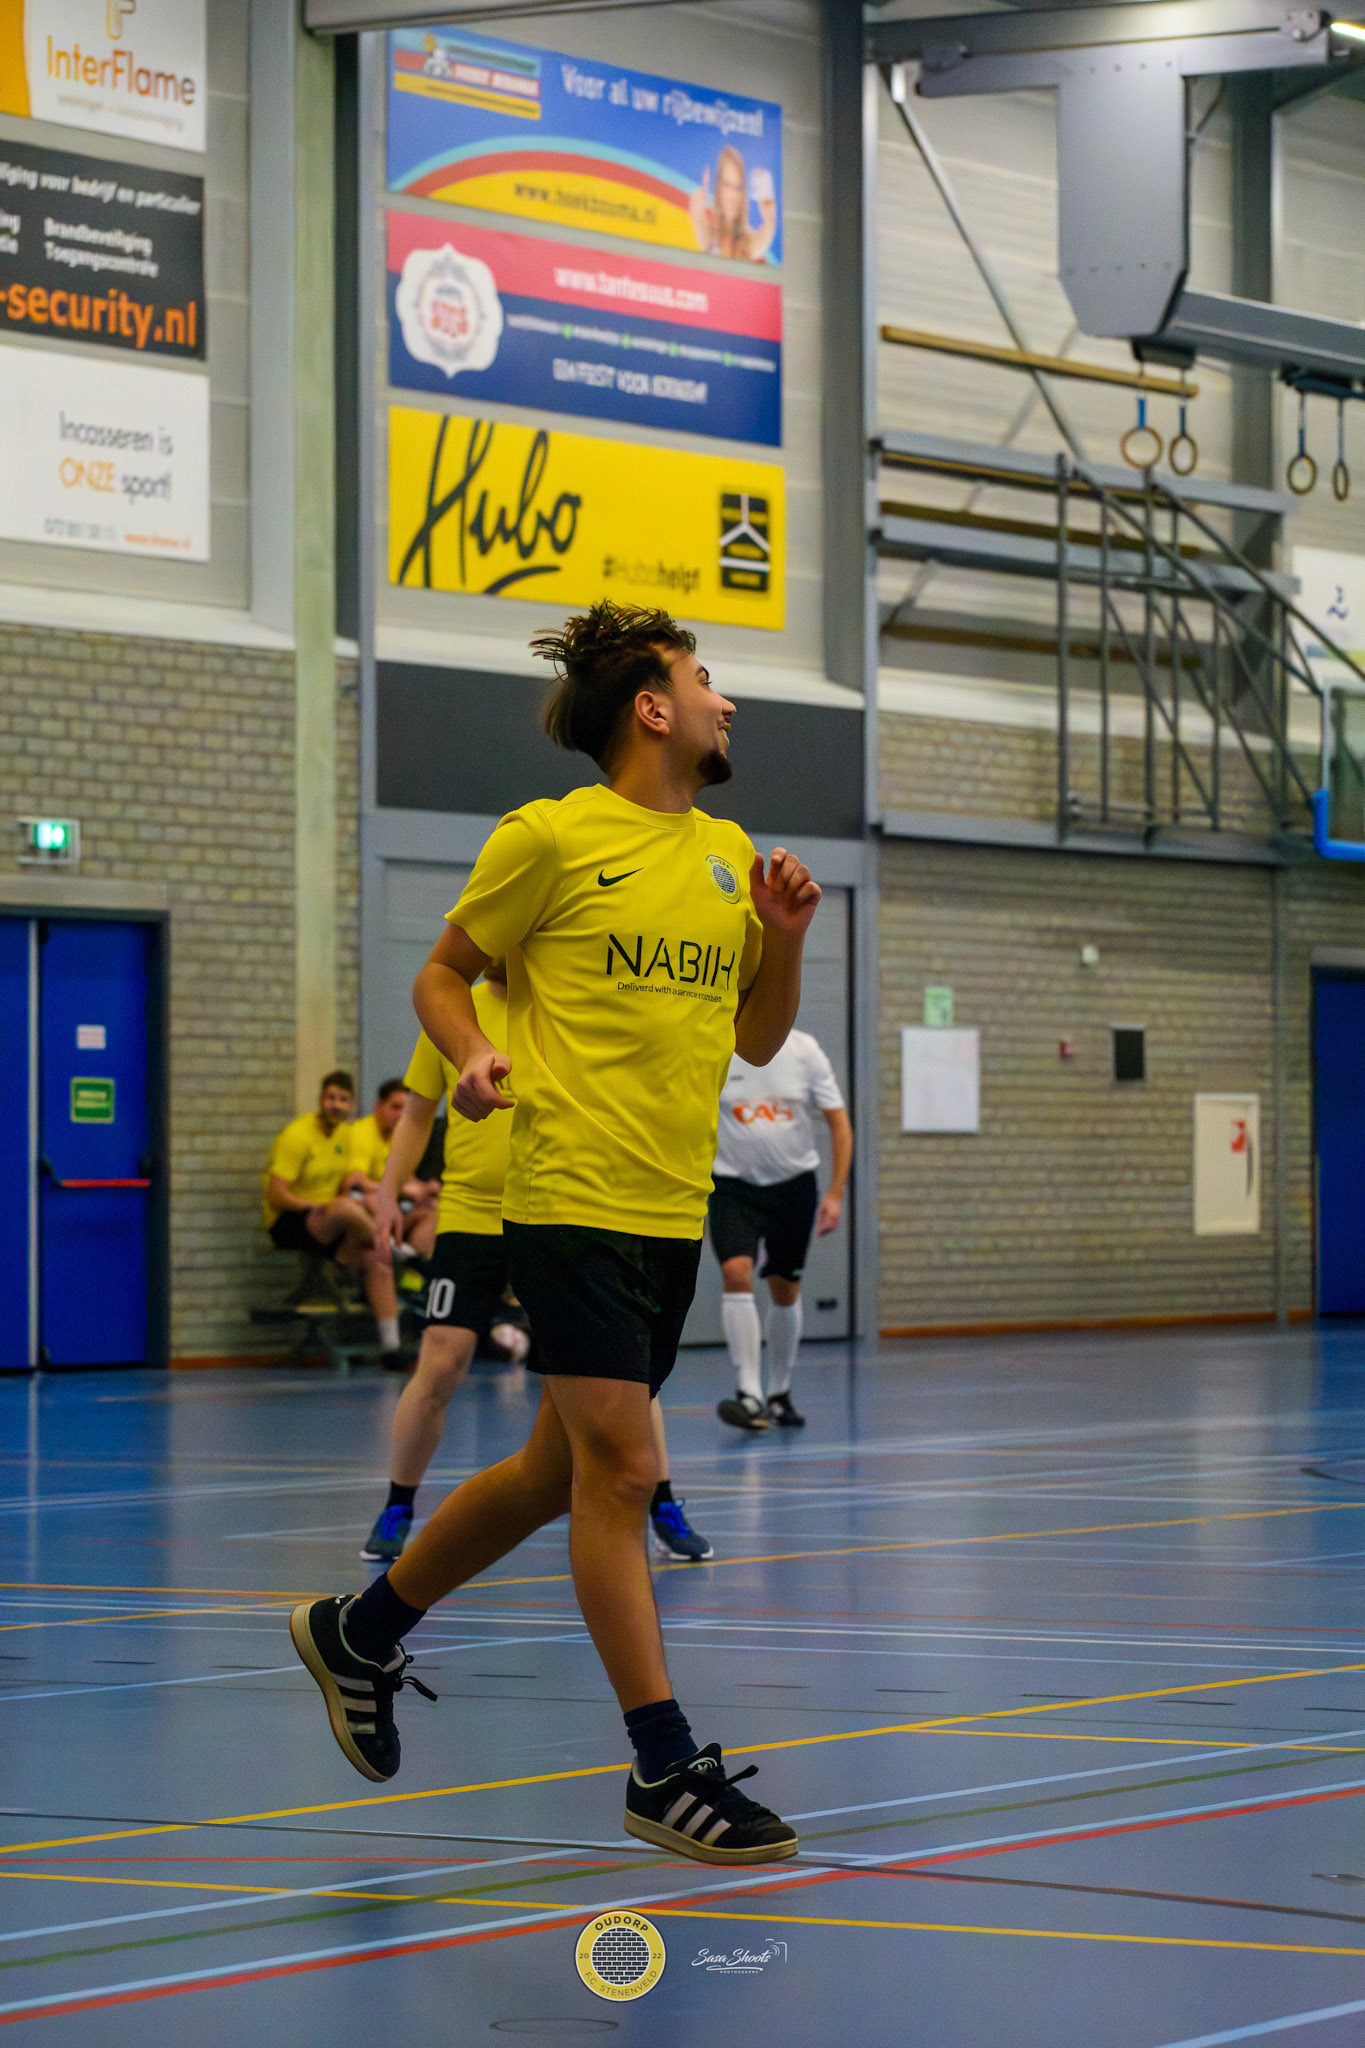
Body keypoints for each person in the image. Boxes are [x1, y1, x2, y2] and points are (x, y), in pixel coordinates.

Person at [289, 599, 819, 1865]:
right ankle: (663, 1764)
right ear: (654, 707)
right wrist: (473, 1051)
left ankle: (359, 1631)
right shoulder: (550, 837)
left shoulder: (726, 855)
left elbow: (755, 1036)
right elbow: (441, 971)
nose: (727, 700)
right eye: (706, 677)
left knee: (551, 1475)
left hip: (667, 1206)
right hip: (567, 1192)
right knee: (624, 1475)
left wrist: (786, 938)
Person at [359, 959, 713, 1569]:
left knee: (621, 1371)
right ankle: (397, 1506)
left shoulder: (565, 997)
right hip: (471, 1214)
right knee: (439, 1362)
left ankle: (662, 1504)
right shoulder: (454, 1009)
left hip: (558, 1210)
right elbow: (418, 1113)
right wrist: (389, 1192)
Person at [711, 1030, 853, 1431]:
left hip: (793, 1186)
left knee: (784, 1286)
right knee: (736, 1272)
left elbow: (839, 1124)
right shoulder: (717, 1046)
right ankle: (748, 1393)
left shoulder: (804, 1050)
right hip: (731, 1185)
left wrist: (836, 1192)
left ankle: (779, 1392)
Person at [262, 1070, 404, 1369]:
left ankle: (392, 1348)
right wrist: (317, 1206)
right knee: (346, 1209)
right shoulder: (297, 1135)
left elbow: (348, 1185)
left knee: (377, 1261)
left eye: (342, 1099)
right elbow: (276, 1195)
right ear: (320, 1100)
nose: (335, 1105)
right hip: (290, 1219)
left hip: (331, 1219)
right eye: (330, 1098)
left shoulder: (346, 1136)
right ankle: (394, 1247)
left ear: (351, 1104)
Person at [348, 1078, 440, 1256]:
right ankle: (396, 1250)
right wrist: (398, 1189)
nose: (400, 1115)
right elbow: (356, 1182)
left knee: (433, 1209)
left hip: (391, 1205)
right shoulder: (362, 1132)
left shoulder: (396, 1136)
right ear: (378, 1105)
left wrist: (425, 1188)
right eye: (395, 1107)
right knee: (373, 1198)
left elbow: (406, 1178)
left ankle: (415, 1264)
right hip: (364, 1204)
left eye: (405, 1109)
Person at [688, 144, 777, 264]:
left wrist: (769, 218)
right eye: (727, 184)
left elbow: (766, 236)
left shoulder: (749, 243)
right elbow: (698, 220)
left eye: (738, 187)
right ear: (718, 186)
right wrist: (697, 211)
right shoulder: (709, 235)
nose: (732, 195)